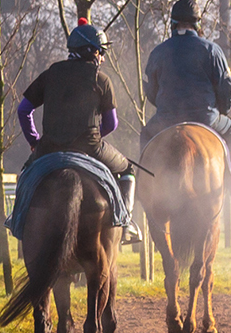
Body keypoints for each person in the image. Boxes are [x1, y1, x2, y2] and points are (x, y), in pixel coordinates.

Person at [16, 18, 140, 242]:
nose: (102, 57)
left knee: (26, 172)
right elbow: (112, 124)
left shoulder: (49, 74)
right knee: (128, 169)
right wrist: (93, 136)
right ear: (91, 51)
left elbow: (24, 110)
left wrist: (34, 140)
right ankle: (127, 221)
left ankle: (16, 218)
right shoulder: (101, 79)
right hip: (91, 148)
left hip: (49, 149)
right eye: (101, 52)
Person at [140, 0, 231, 191]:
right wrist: (220, 109)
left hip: (166, 120)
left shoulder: (158, 52)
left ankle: (142, 184)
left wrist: (166, 107)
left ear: (173, 23)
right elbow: (226, 93)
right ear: (197, 23)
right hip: (205, 118)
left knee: (146, 133)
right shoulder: (212, 50)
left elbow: (151, 92)